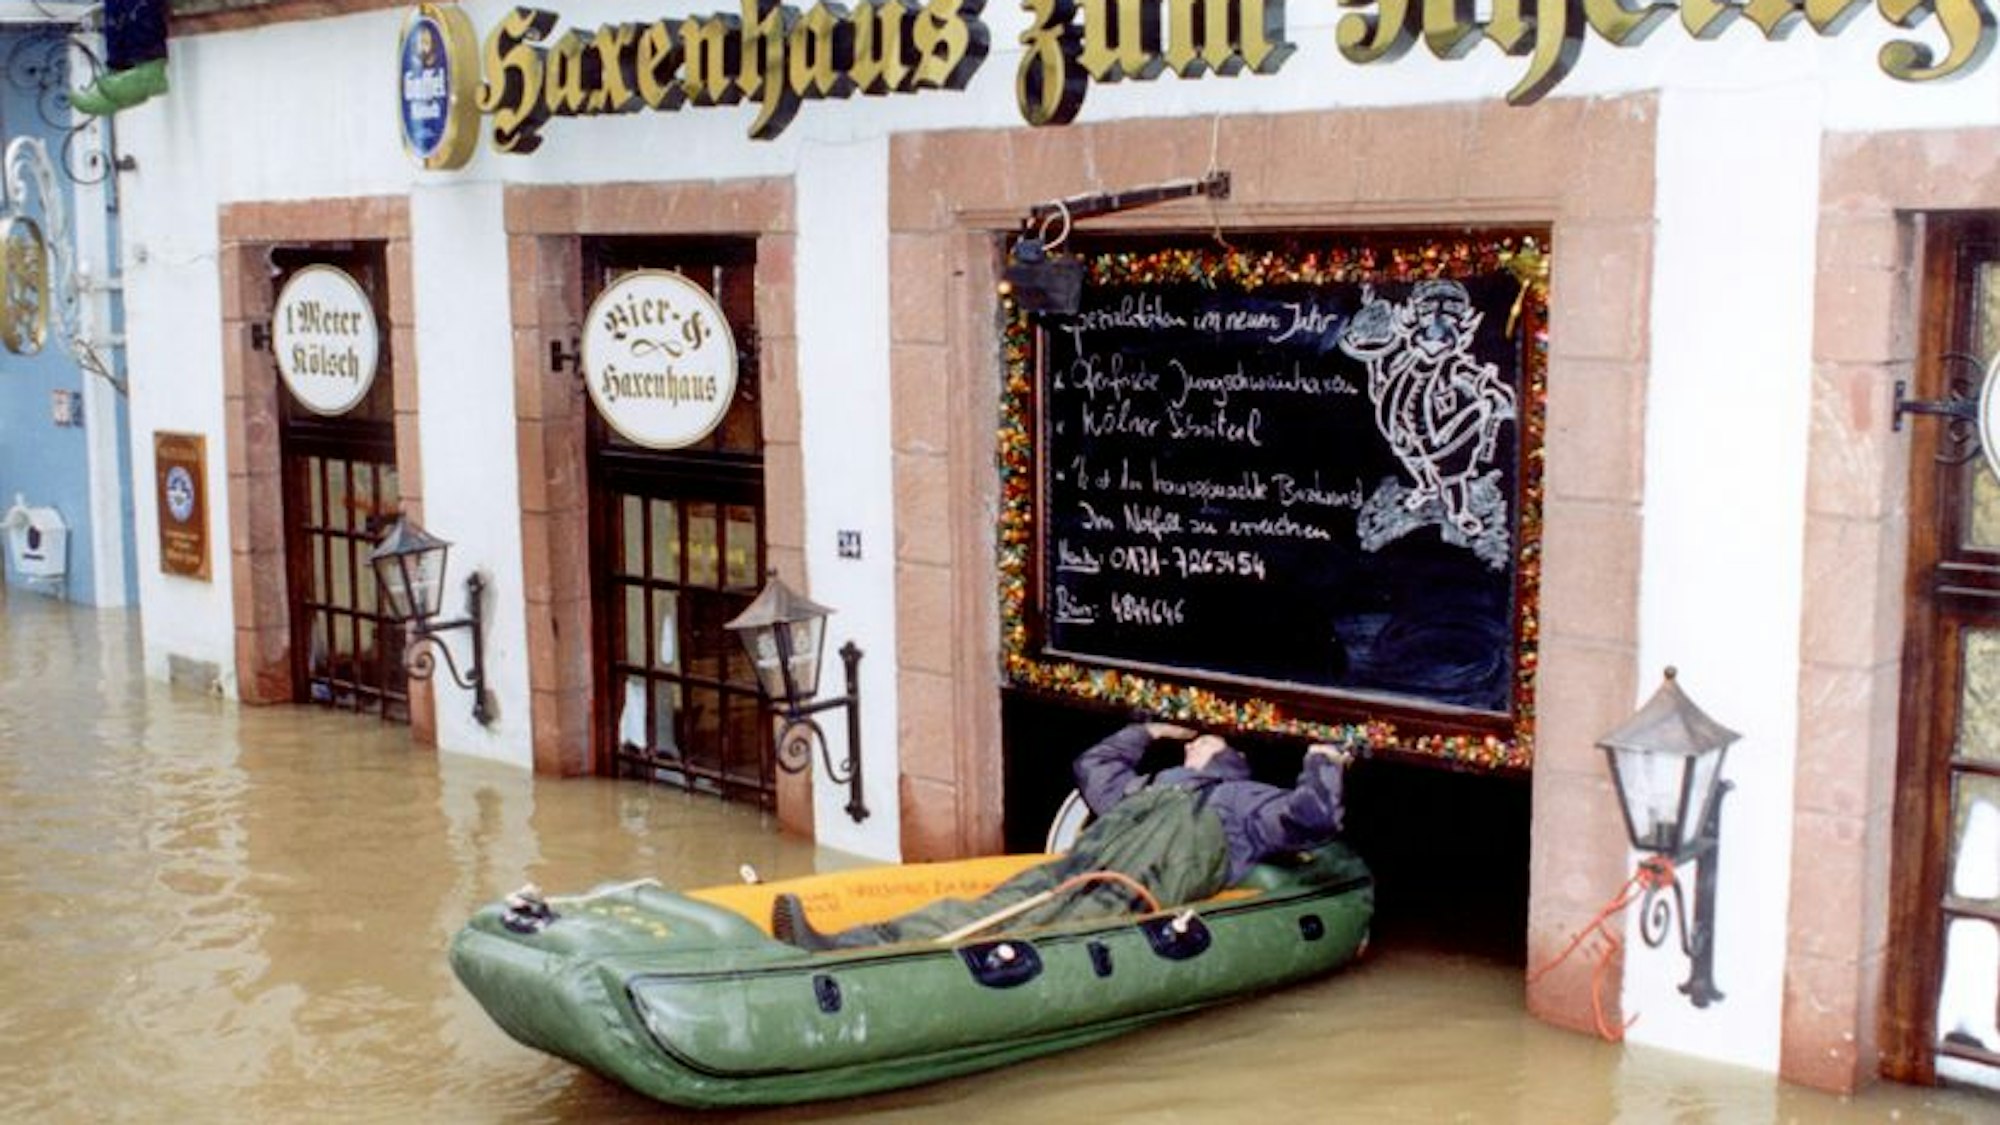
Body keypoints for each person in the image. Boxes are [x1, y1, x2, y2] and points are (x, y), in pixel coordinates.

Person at [770, 720, 1355, 951]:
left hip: (1121, 896)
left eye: (1201, 741)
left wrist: (1323, 759)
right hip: (1066, 875)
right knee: (967, 909)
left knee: (1002, 927)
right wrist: (1145, 729)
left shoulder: (1239, 799)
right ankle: (847, 942)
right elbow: (1093, 767)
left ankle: (846, 951)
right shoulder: (1149, 786)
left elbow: (1311, 816)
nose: (1192, 741)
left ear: (1229, 755)